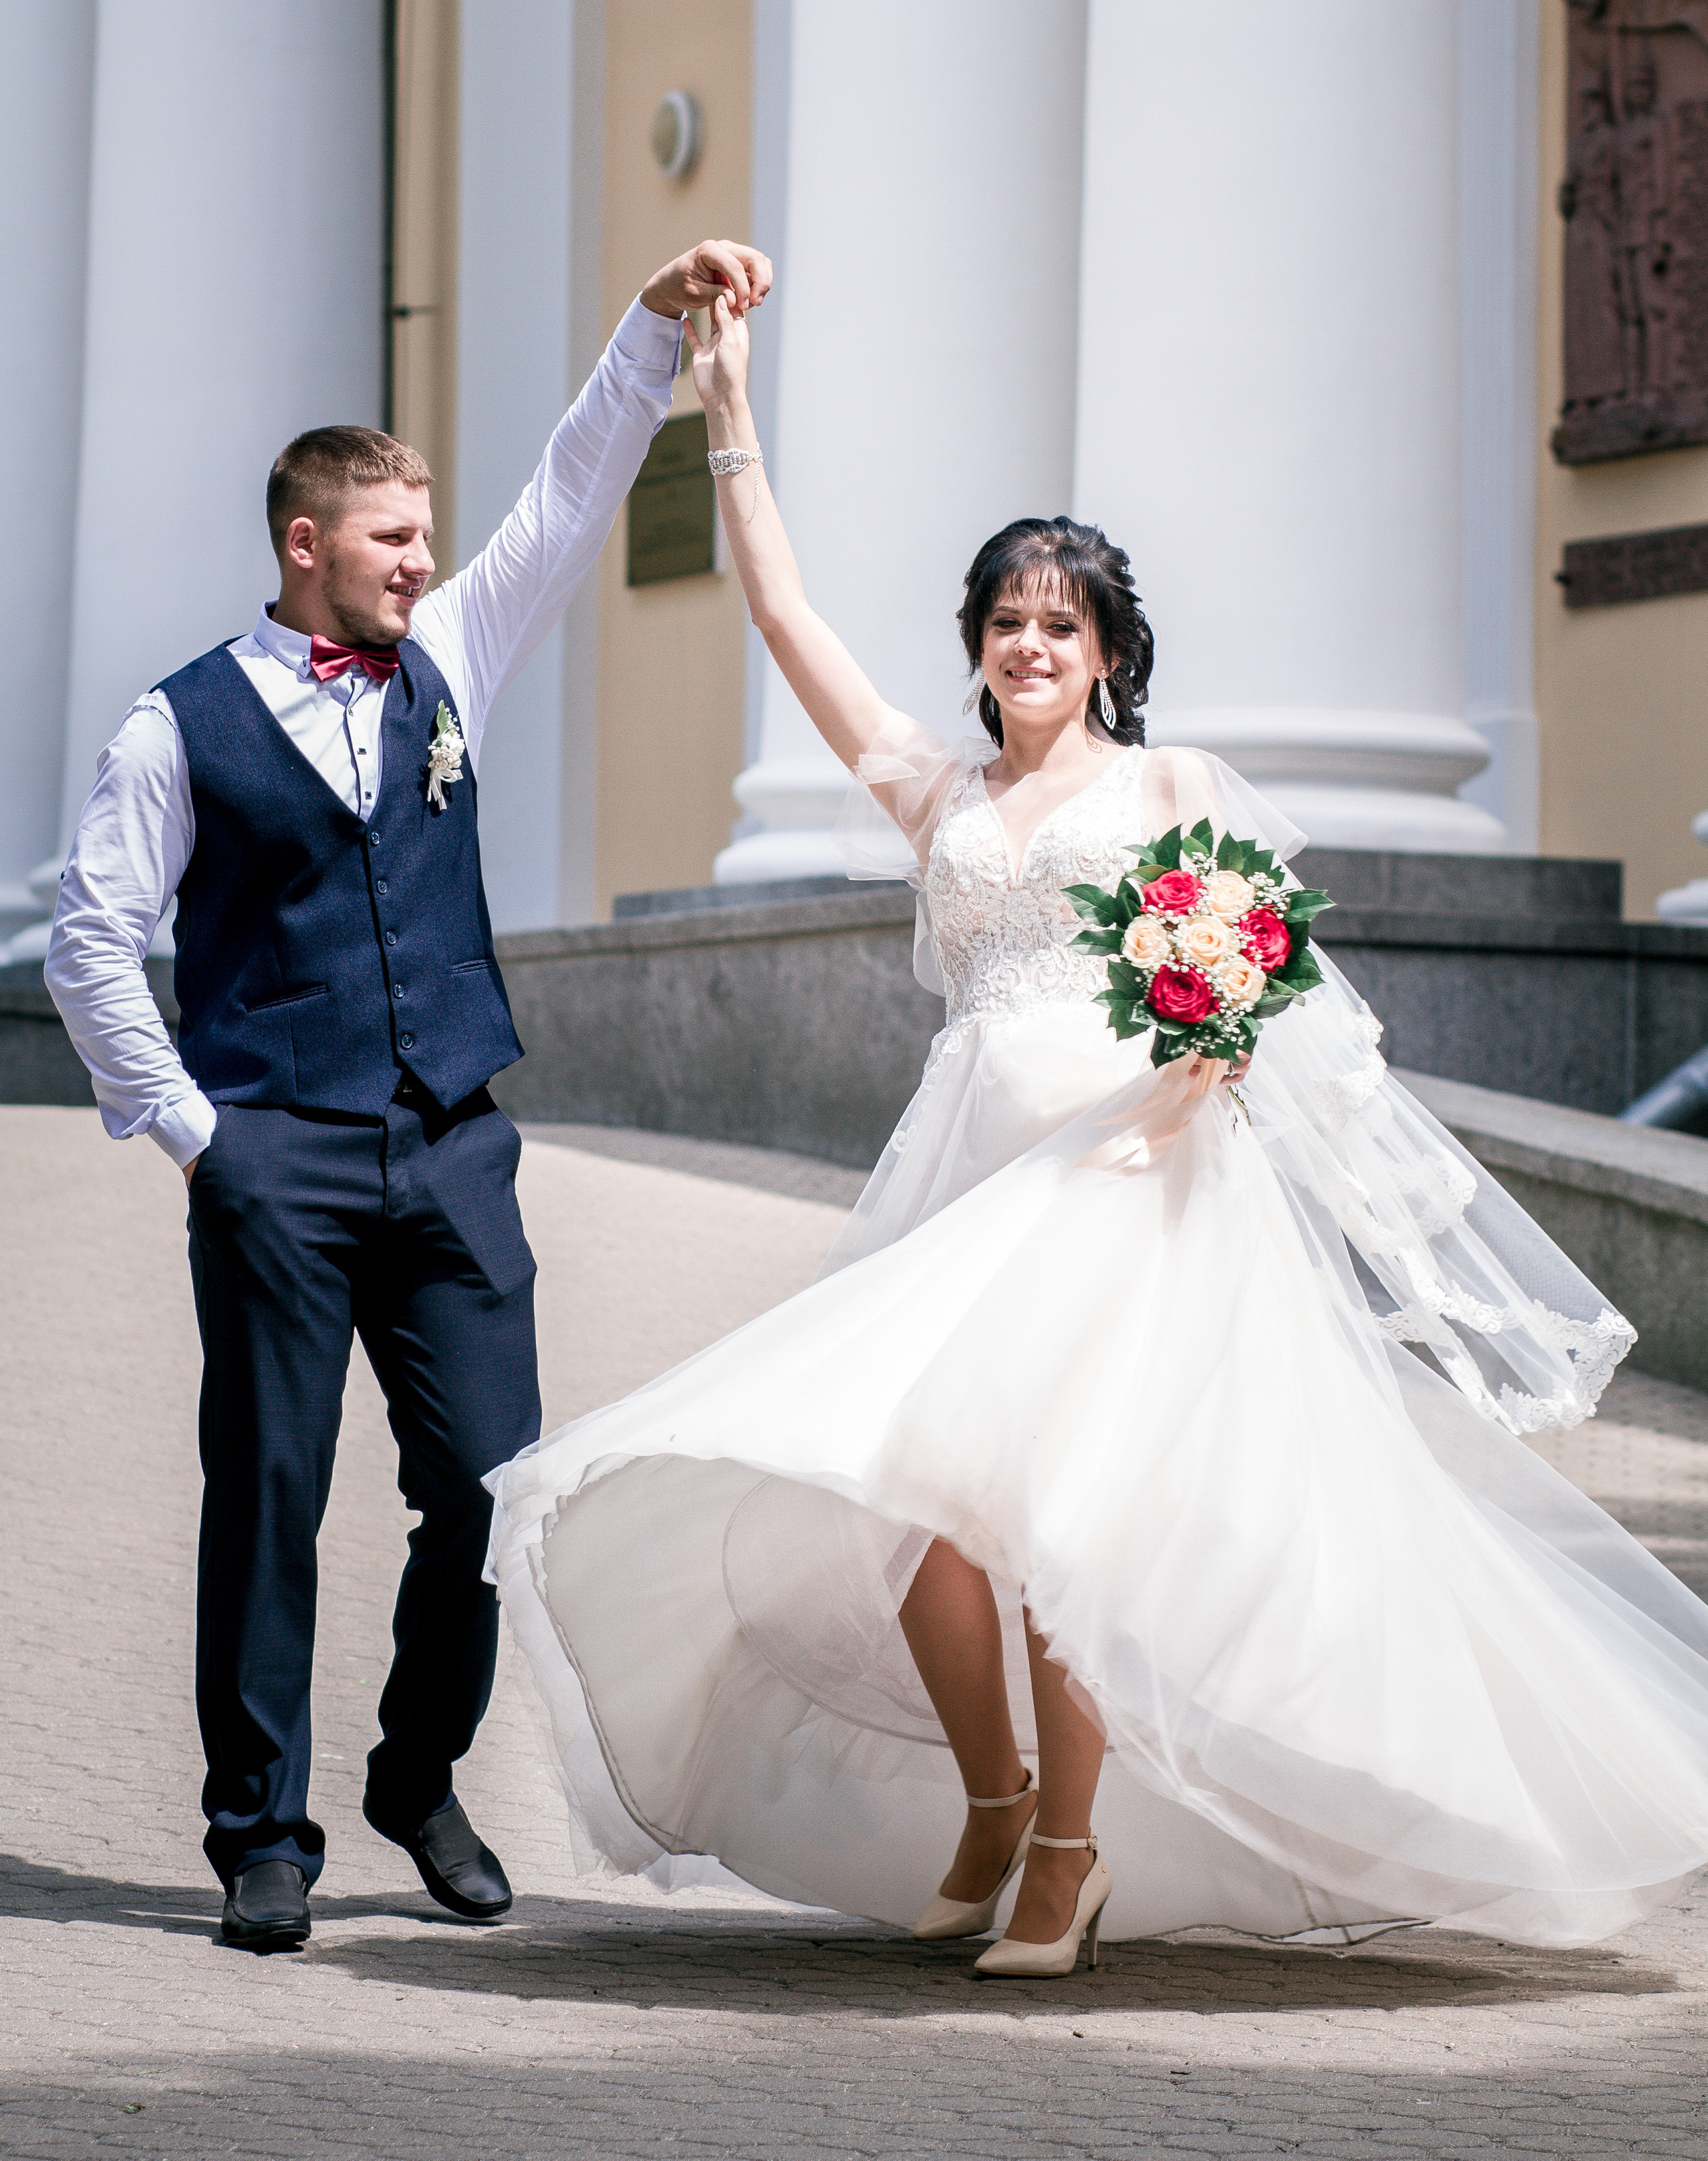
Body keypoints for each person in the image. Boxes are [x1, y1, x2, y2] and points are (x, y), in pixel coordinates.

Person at [485, 288, 1708, 1975]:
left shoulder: (1167, 788)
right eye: (1004, 621)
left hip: (1129, 1174)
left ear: (1107, 652)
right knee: (922, 1541)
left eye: (1060, 625)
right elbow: (779, 619)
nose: (1029, 647)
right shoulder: (937, 795)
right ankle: (992, 1805)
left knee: (1063, 1533)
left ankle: (1065, 1857)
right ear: (978, 643)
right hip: (971, 1166)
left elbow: (1250, 972)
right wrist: (727, 411)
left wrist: (1193, 1071)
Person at [45, 241, 771, 1952]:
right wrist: (198, 1135)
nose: (421, 559)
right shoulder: (176, 728)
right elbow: (92, 940)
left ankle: (414, 1776)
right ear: (307, 546)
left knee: (489, 1487)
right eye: (389, 537)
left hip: (452, 1144)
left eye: (423, 535)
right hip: (271, 1156)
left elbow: (571, 495)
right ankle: (260, 1836)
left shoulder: (450, 654)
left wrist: (652, 331)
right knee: (273, 1491)